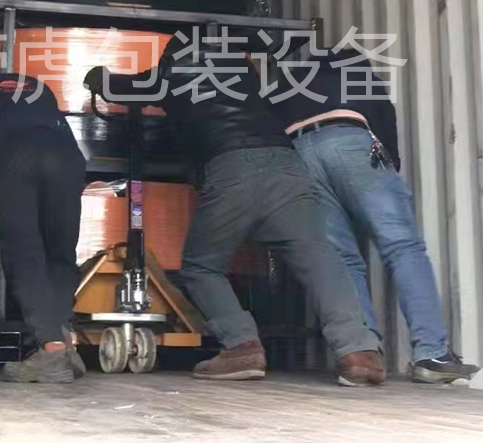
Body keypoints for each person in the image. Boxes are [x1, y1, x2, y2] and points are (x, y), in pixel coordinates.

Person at [84, 28, 384, 386]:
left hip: (231, 168)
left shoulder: (167, 74)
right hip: (288, 166)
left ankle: (241, 346)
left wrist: (97, 75)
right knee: (320, 259)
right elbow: (268, 42)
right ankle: (359, 353)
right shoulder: (242, 71)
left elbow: (116, 88)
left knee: (201, 267)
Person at [278, 49, 479, 383]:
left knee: (342, 259)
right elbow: (384, 124)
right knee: (403, 247)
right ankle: (432, 353)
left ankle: (364, 355)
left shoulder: (290, 85)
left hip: (298, 154)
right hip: (350, 140)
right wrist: (387, 171)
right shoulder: (356, 73)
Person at [0, 74, 87, 384]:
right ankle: (63, 342)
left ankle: (51, 351)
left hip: (12, 150)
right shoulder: (40, 88)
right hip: (65, 153)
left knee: (25, 251)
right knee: (60, 251)